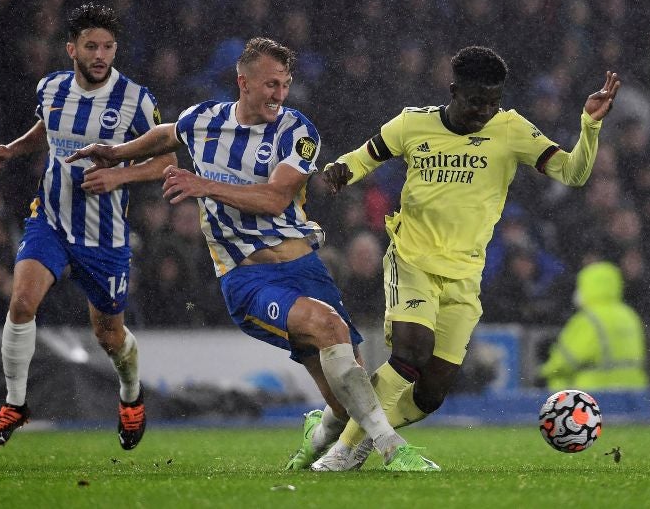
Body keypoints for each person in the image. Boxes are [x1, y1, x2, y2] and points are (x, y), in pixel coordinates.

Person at [66, 37, 437, 472]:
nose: (280, 95)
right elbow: (168, 134)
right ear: (243, 82)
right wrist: (116, 154)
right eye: (271, 85)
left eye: (285, 85)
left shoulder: (297, 131)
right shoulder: (204, 119)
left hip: (307, 270)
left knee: (343, 402)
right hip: (248, 278)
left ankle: (319, 432)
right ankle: (393, 450)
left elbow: (276, 198)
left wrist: (205, 186)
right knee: (329, 327)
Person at [317, 46, 620, 470]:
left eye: (493, 101)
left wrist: (589, 126)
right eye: (476, 100)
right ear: (453, 89)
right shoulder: (412, 123)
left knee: (432, 393)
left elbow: (573, 173)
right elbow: (362, 158)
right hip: (412, 259)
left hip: (464, 275)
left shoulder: (511, 128)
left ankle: (343, 429)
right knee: (411, 352)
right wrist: (335, 173)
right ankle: (343, 452)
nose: (484, 110)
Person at [0, 3, 177, 450]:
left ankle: (130, 396)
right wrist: (13, 149)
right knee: (22, 302)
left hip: (103, 237)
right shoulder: (50, 88)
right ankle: (15, 403)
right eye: (91, 46)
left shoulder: (136, 99)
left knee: (108, 335)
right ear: (72, 48)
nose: (101, 54)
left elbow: (166, 160)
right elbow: (47, 130)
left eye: (108, 46)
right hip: (49, 219)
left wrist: (119, 175)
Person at [539, 261, 649, 391]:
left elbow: (566, 360)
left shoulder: (589, 319)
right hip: (634, 393)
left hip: (597, 392)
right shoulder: (629, 315)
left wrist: (544, 372)